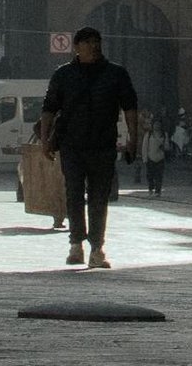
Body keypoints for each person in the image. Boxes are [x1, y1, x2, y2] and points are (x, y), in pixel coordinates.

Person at [39, 24, 139, 271]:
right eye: (88, 42)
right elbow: (49, 109)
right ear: (77, 47)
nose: (94, 46)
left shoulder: (116, 74)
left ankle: (96, 247)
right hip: (71, 144)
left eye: (97, 42)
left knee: (99, 198)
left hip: (103, 144)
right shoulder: (63, 75)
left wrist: (133, 140)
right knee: (74, 194)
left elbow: (130, 108)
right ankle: (76, 244)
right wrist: (44, 141)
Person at [143, 118, 167, 197]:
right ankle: (151, 188)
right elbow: (145, 147)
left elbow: (167, 146)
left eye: (158, 124)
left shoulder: (164, 134)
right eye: (155, 124)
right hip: (150, 158)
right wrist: (145, 158)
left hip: (160, 158)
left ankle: (158, 190)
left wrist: (163, 147)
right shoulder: (149, 134)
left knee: (159, 175)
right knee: (150, 175)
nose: (157, 126)